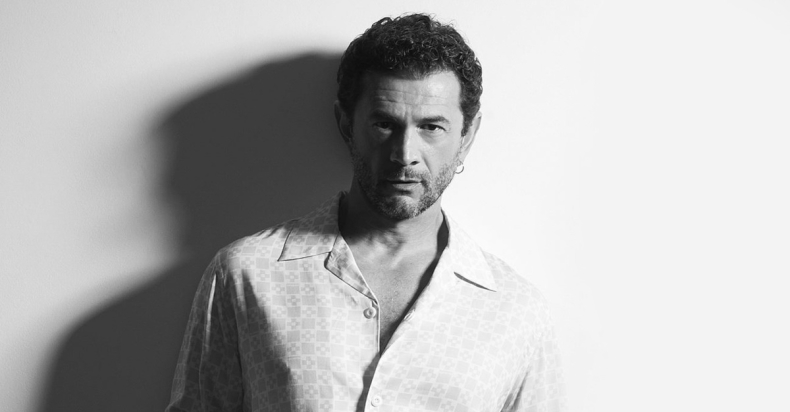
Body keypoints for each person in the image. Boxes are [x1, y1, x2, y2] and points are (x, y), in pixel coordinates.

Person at [166, 13, 564, 412]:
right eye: (384, 124)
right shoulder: (246, 274)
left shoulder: (516, 311)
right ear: (346, 124)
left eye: (431, 127)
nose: (405, 154)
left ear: (467, 136)